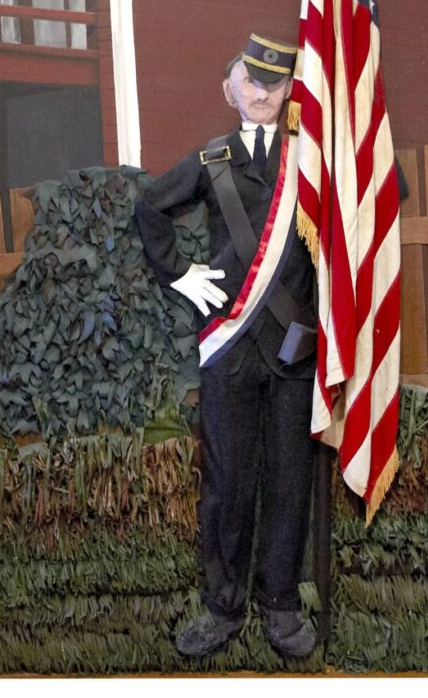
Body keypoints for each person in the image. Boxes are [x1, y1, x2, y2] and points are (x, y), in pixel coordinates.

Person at [135, 35, 319, 659]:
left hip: (295, 346)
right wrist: (182, 275)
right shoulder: (213, 160)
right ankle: (222, 607)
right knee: (228, 481)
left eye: (272, 82)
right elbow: (151, 206)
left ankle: (283, 605)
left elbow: (376, 199)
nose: (262, 91)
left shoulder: (312, 160)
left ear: (289, 89)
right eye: (250, 81)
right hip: (230, 347)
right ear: (229, 91)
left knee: (291, 480)